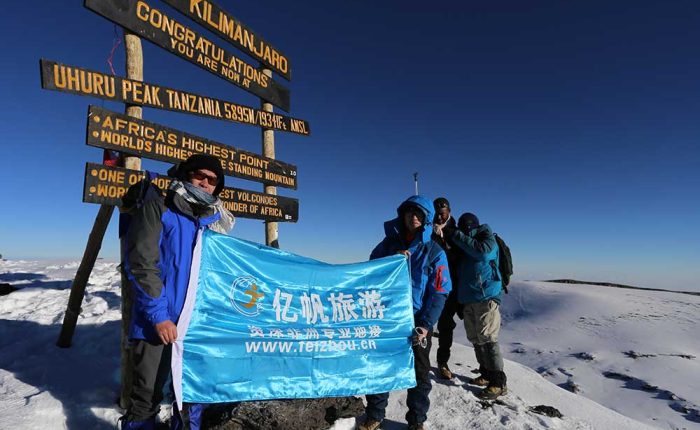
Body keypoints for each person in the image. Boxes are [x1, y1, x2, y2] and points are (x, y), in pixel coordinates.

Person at [120, 154, 235, 429]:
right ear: (185, 175)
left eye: (212, 180)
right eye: (199, 176)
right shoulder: (159, 207)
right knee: (146, 395)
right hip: (156, 322)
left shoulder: (213, 223)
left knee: (191, 394)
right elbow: (141, 264)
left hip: (195, 324)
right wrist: (159, 316)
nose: (205, 183)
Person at [360, 195, 451, 430]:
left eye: (419, 213)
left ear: (427, 218)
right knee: (379, 368)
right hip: (388, 320)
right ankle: (375, 415)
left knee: (420, 375)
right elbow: (370, 272)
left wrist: (426, 325)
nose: (413, 217)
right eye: (409, 213)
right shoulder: (388, 245)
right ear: (402, 216)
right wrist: (391, 260)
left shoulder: (434, 251)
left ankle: (417, 421)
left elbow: (439, 291)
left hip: (417, 322)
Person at [443, 212, 507, 400]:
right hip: (469, 298)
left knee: (488, 339)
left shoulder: (486, 237)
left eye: (465, 228)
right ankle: (486, 374)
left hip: (486, 296)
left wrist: (455, 234)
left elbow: (483, 253)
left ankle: (498, 382)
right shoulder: (463, 244)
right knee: (476, 338)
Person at [431, 197, 462, 380]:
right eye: (437, 214)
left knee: (445, 326)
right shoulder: (429, 230)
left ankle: (442, 362)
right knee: (424, 323)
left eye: (442, 213)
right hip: (432, 285)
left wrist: (444, 240)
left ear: (449, 211)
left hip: (451, 287)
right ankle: (420, 361)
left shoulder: (456, 232)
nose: (440, 217)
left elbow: (458, 256)